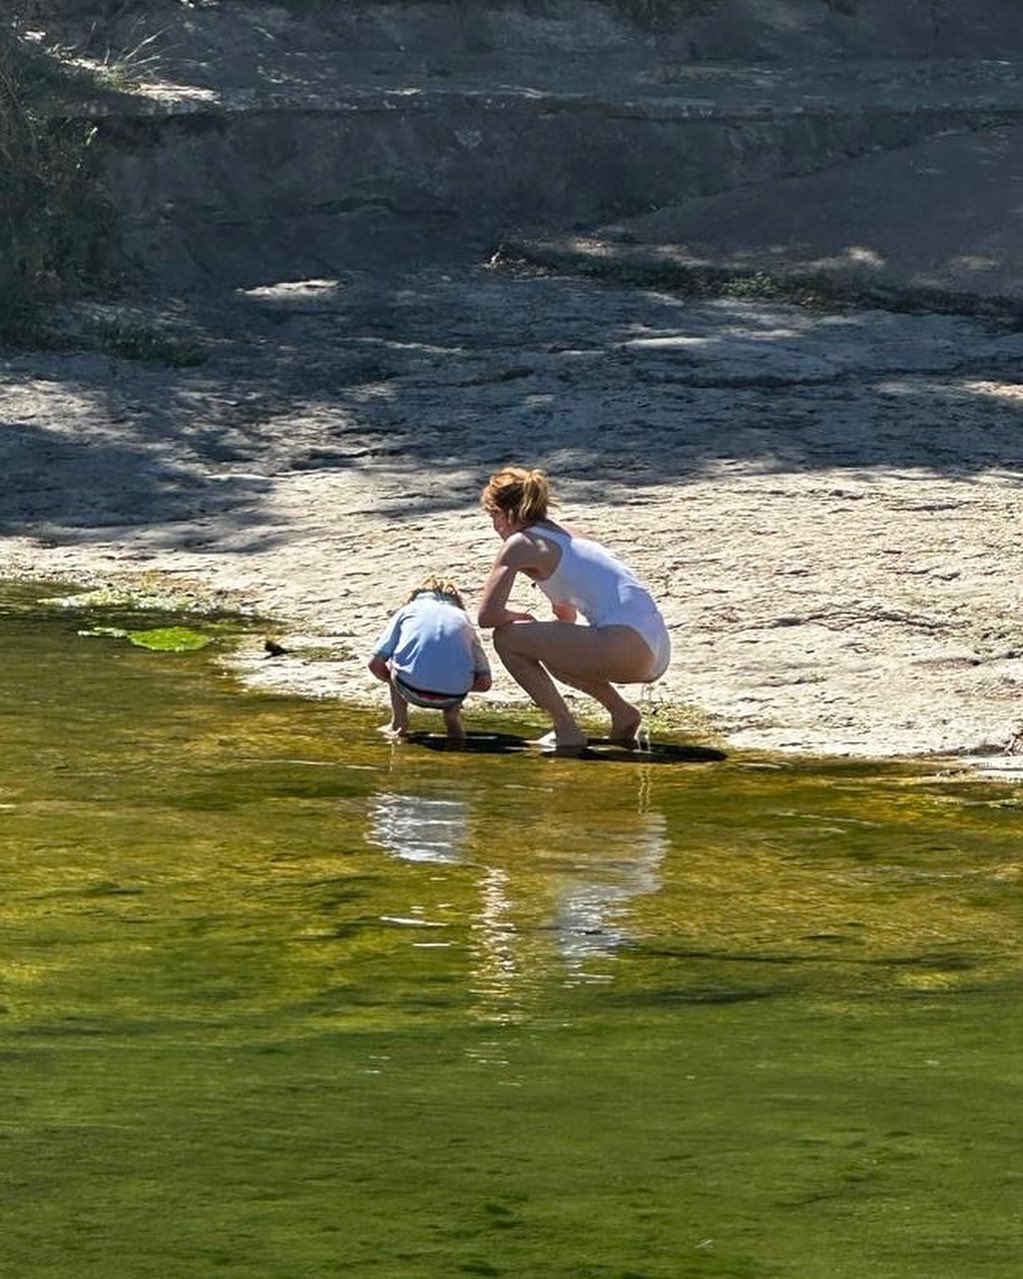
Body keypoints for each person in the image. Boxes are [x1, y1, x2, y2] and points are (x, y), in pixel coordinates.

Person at [477, 466, 671, 753]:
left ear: (504, 515)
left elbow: (487, 617)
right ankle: (622, 713)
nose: (495, 527)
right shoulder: (569, 535)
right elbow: (565, 616)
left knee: (507, 638)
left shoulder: (521, 544)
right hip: (656, 647)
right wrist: (540, 634)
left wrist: (521, 618)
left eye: (493, 516)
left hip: (626, 646)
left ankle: (566, 729)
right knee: (549, 649)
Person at [368, 575, 493, 741]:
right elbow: (485, 683)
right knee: (454, 666)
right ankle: (452, 718)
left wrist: (394, 680)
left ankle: (399, 723)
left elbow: (374, 663)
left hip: (410, 689)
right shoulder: (463, 618)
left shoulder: (408, 611)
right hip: (453, 696)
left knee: (395, 663)